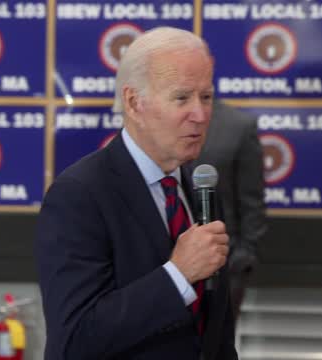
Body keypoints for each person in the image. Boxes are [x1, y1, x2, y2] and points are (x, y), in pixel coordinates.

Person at [35, 27, 237, 360]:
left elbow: (215, 330)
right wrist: (178, 275)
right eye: (182, 98)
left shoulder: (201, 185)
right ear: (133, 102)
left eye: (206, 96)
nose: (200, 115)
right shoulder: (79, 195)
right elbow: (74, 340)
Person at [193, 100, 267, 322]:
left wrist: (245, 255)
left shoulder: (238, 126)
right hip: (168, 259)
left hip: (226, 262)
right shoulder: (158, 121)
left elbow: (251, 199)